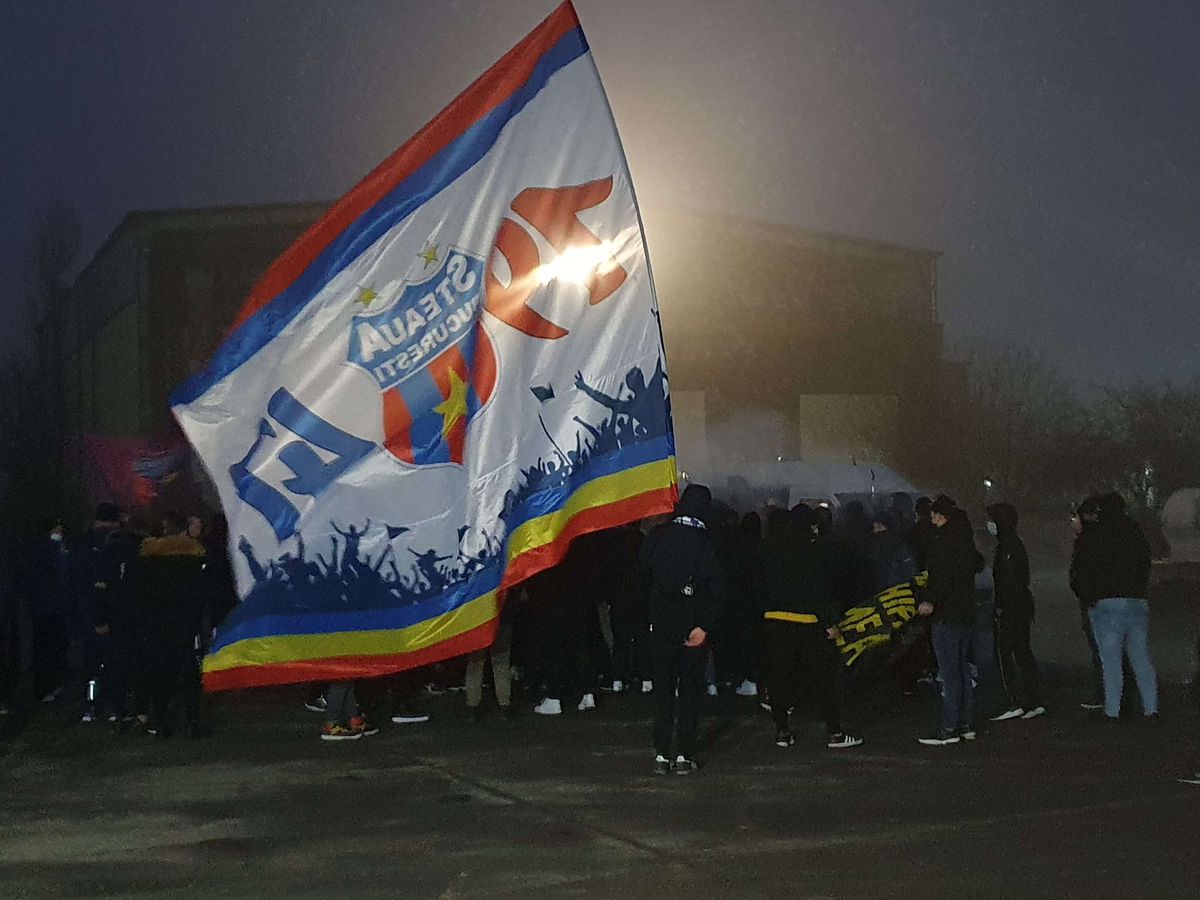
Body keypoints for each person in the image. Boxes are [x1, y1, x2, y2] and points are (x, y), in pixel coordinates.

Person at [761, 505, 863, 751]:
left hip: (775, 622)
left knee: (779, 678)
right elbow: (820, 590)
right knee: (823, 679)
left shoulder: (769, 551)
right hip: (808, 624)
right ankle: (835, 733)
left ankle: (782, 731)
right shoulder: (814, 551)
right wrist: (830, 622)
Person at [640, 484, 724, 774]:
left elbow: (643, 577)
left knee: (663, 691)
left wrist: (652, 614)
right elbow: (718, 590)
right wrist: (704, 626)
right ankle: (684, 754)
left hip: (662, 625)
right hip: (694, 628)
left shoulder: (657, 536)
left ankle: (662, 753)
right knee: (690, 691)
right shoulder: (707, 542)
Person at [1071, 492, 1158, 721]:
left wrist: (1088, 595)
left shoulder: (1097, 534)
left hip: (1106, 603)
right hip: (1136, 600)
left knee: (1111, 662)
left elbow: (1084, 569)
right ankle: (1151, 707)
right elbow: (1144, 563)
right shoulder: (1134, 532)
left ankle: (1112, 710)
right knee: (1141, 658)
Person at [131, 512, 208, 737]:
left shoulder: (147, 559)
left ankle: (163, 721)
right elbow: (200, 595)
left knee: (159, 672)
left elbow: (138, 594)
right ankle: (193, 720)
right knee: (189, 673)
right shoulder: (193, 558)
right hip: (184, 626)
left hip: (156, 625)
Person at [917, 496, 981, 746]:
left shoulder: (942, 543)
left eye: (934, 516)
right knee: (963, 670)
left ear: (940, 516)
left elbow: (942, 578)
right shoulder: (965, 541)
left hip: (946, 615)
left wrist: (930, 600)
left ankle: (949, 727)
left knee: (949, 673)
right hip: (965, 613)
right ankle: (966, 724)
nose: (932, 520)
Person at [74, 503, 140, 725]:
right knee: (116, 663)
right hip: (117, 613)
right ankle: (115, 705)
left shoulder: (83, 543)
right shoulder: (120, 543)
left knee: (92, 662)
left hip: (90, 611)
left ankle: (90, 705)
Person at [987, 503, 1044, 722]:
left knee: (1004, 653)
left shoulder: (1007, 546)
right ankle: (1032, 699)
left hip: (1011, 608)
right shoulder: (1012, 543)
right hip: (1020, 606)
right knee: (1022, 652)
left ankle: (1012, 700)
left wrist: (1001, 605)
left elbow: (1008, 580)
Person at [23, 521, 73, 704]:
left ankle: (49, 685)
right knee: (47, 649)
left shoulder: (40, 549)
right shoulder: (48, 550)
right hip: (49, 607)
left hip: (47, 607)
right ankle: (45, 687)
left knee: (49, 648)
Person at [1068, 496, 1106, 709]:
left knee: (1100, 649)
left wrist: (1085, 593)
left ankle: (1104, 694)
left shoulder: (1087, 541)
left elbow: (1082, 573)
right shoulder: (1102, 538)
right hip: (1096, 600)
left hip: (1093, 602)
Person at [465, 589, 516, 721]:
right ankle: (504, 705)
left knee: (475, 663)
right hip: (501, 613)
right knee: (500, 662)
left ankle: (472, 706)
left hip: (476, 615)